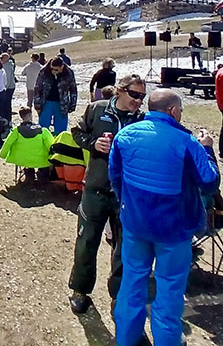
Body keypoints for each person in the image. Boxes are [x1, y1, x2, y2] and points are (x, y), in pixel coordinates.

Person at [109, 89, 219, 346]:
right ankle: (167, 341)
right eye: (180, 109)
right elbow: (209, 182)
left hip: (136, 224)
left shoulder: (124, 135)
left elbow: (115, 177)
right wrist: (208, 150)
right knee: (169, 288)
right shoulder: (187, 141)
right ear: (173, 110)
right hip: (174, 229)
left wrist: (127, 205)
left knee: (132, 280)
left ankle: (126, 338)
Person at [68, 74, 146, 314]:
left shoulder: (142, 119)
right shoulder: (97, 108)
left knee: (125, 246)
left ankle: (119, 295)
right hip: (96, 188)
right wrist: (94, 144)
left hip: (127, 193)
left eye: (142, 96)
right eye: (134, 95)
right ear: (121, 91)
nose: (138, 101)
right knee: (86, 240)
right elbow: (77, 133)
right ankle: (80, 291)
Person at [0, 106, 54, 184]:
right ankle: (42, 174)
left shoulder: (16, 131)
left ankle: (29, 172)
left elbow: (7, 143)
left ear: (21, 117)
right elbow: (51, 146)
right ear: (30, 115)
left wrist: (3, 155)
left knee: (26, 161)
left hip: (21, 160)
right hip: (40, 161)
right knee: (44, 165)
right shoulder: (43, 131)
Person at [33, 57, 77, 135]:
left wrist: (73, 104)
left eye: (56, 69)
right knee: (43, 128)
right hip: (46, 102)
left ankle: (58, 144)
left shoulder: (69, 73)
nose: (53, 71)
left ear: (62, 67)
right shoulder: (44, 71)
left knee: (61, 130)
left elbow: (73, 89)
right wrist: (37, 105)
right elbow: (37, 88)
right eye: (52, 69)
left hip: (62, 103)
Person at [1, 53, 17, 123]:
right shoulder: (9, 65)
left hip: (8, 87)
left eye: (2, 58)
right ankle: (8, 119)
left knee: (6, 104)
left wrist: (5, 88)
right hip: (11, 86)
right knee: (7, 103)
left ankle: (7, 119)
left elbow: (7, 78)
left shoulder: (7, 67)